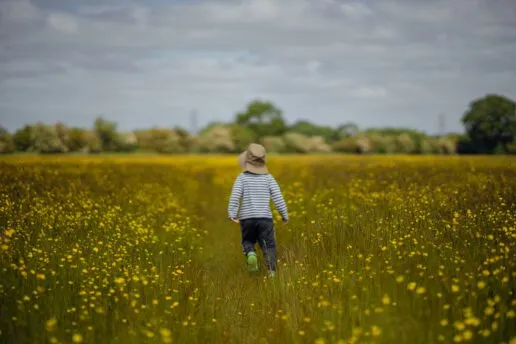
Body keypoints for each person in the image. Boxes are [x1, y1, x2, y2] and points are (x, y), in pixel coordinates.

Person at [227, 143, 289, 278]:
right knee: (269, 246)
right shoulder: (268, 178)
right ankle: (271, 272)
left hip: (246, 218)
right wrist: (284, 214)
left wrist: (232, 213)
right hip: (265, 219)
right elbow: (278, 198)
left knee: (248, 240)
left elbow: (235, 196)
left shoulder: (242, 178)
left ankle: (250, 254)